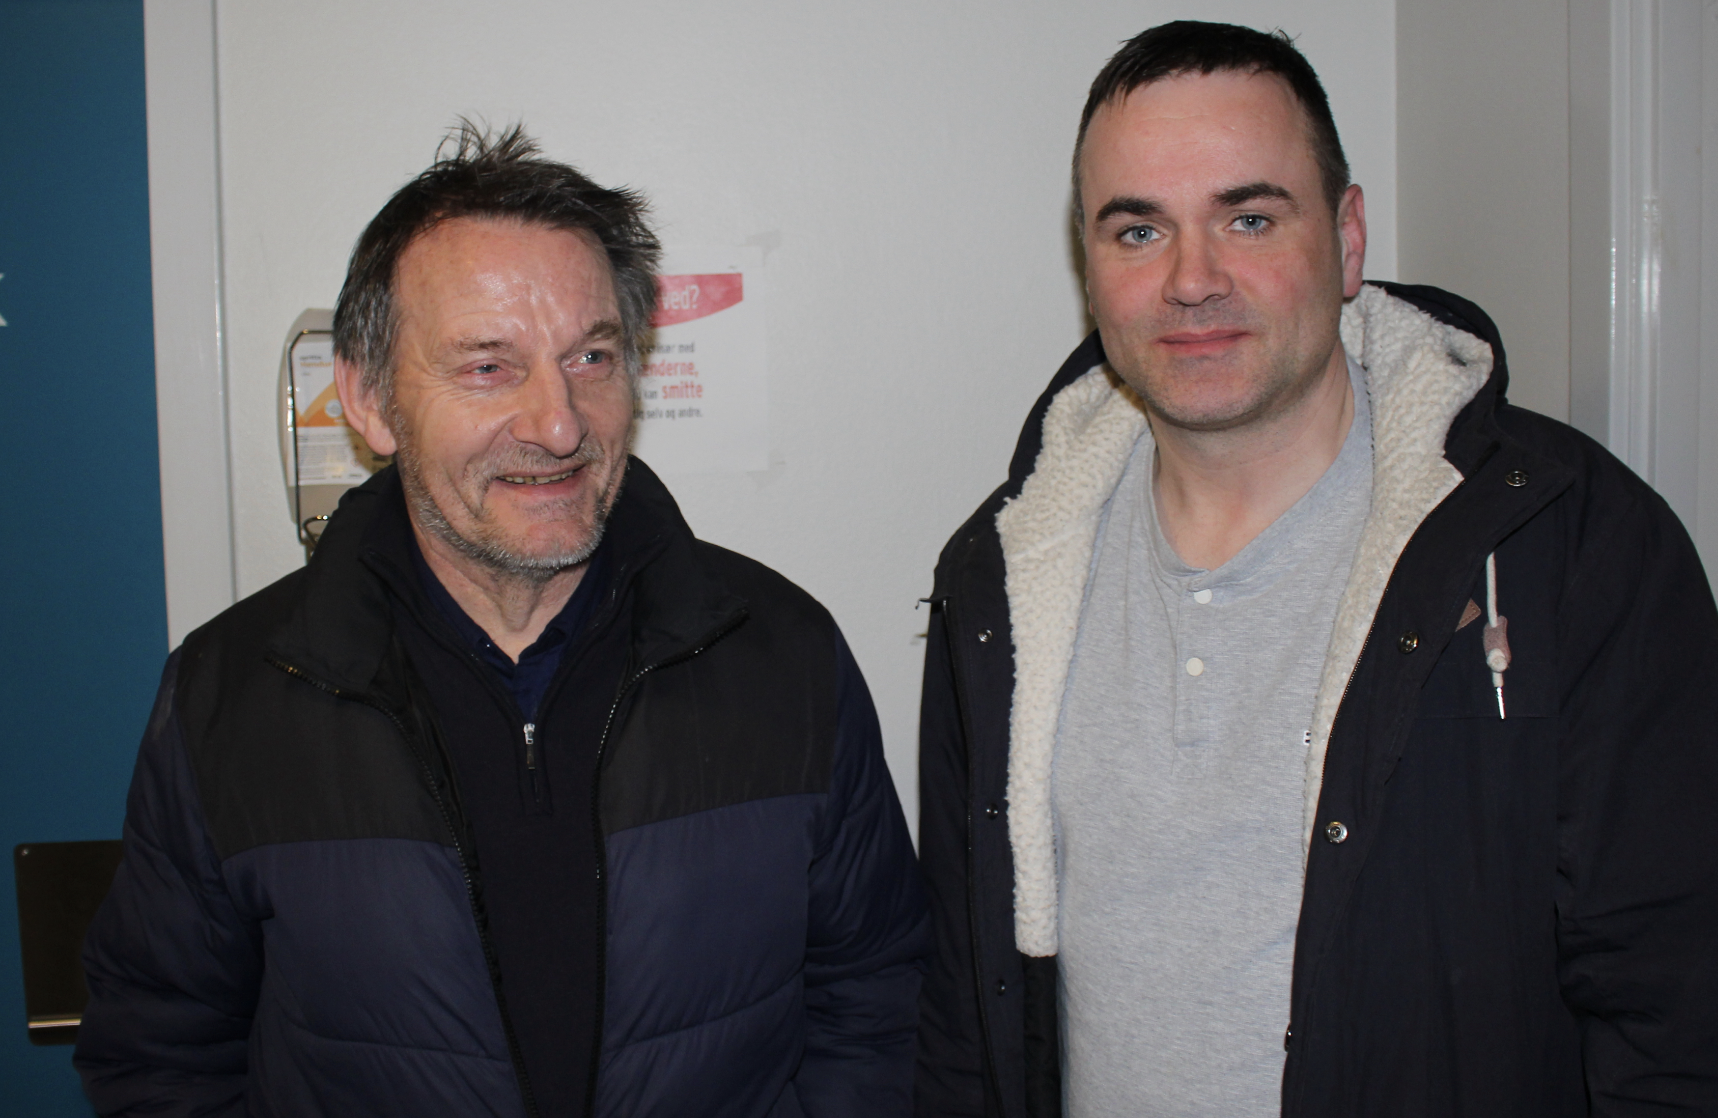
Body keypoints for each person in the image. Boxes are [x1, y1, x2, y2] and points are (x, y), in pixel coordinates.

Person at [914, 20, 1718, 1117]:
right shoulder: (997, 581)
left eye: (1248, 218)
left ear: (1346, 239)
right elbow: (966, 1015)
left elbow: (1676, 1009)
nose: (1192, 280)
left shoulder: (1568, 542)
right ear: (1089, 268)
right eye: (1139, 230)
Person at [75, 123, 928, 1118]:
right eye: (488, 366)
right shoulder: (231, 695)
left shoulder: (783, 656)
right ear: (369, 399)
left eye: (591, 355)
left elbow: (879, 998)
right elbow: (161, 1050)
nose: (559, 424)